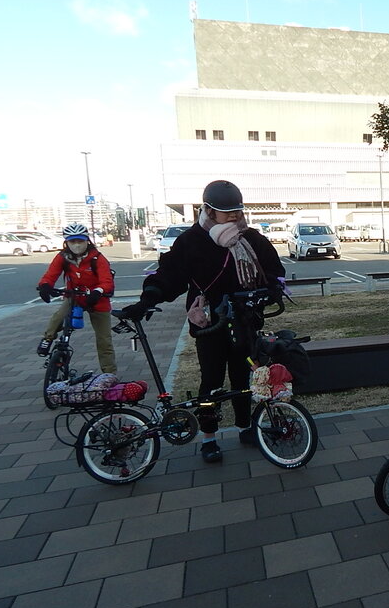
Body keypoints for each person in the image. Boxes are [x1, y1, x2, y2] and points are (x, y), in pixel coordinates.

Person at [120, 180, 286, 462]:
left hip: (244, 319)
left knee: (243, 375)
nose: (234, 216)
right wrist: (148, 299)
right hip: (209, 321)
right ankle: (208, 437)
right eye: (226, 211)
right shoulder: (192, 241)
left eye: (237, 210)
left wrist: (271, 289)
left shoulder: (252, 238)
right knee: (211, 379)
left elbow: (274, 270)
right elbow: (170, 275)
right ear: (208, 210)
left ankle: (245, 427)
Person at [36, 223, 118, 374]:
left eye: (80, 241)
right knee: (58, 317)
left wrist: (98, 291)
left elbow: (106, 281)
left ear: (87, 241)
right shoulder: (63, 257)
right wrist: (45, 286)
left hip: (97, 299)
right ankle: (48, 339)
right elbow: (50, 275)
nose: (77, 245)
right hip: (74, 296)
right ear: (66, 243)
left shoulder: (97, 258)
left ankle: (109, 373)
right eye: (72, 242)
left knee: (104, 340)